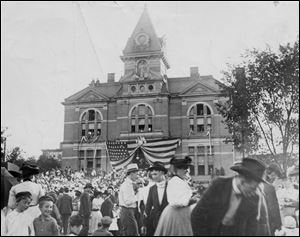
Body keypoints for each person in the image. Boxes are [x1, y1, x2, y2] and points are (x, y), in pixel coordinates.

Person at [191, 158, 269, 236]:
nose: (254, 192)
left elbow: (252, 227)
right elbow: (197, 215)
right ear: (242, 181)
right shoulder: (218, 185)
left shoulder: (255, 197)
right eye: (253, 188)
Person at [154, 156, 196, 236]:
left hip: (182, 214)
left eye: (187, 168)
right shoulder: (174, 181)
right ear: (177, 170)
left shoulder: (180, 181)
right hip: (176, 215)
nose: (186, 171)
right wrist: (190, 200)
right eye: (183, 168)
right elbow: (174, 202)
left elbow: (182, 195)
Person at [145, 162, 168, 236]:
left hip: (169, 220)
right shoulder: (152, 189)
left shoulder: (171, 186)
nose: (153, 177)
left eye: (155, 174)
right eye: (152, 175)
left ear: (162, 172)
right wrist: (144, 224)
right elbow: (148, 207)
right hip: (156, 222)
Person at [119, 163, 140, 236]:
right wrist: (138, 196)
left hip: (128, 212)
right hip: (127, 211)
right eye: (136, 174)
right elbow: (128, 202)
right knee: (132, 233)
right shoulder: (127, 185)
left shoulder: (129, 184)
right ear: (131, 173)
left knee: (130, 232)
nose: (137, 176)